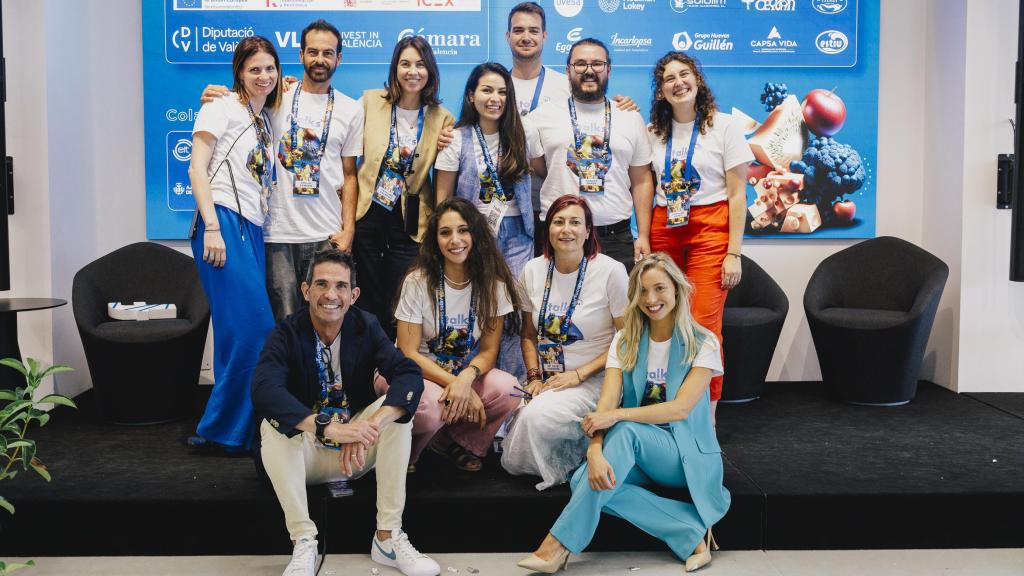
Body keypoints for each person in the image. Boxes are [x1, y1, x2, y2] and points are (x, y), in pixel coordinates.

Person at [517, 253, 729, 574]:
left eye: (659, 288)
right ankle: (689, 531)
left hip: (683, 454)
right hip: (639, 450)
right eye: (642, 291)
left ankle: (556, 547)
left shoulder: (703, 343)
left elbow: (680, 408)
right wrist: (595, 450)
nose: (651, 299)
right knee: (584, 481)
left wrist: (618, 417)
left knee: (625, 432)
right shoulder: (624, 342)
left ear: (677, 290)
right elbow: (606, 404)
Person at [251, 249, 440, 576]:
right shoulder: (287, 331)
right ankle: (304, 541)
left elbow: (407, 373)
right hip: (305, 456)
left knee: (396, 412)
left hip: (355, 455)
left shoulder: (365, 326)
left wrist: (370, 425)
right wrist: (328, 428)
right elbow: (264, 389)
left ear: (353, 295)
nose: (330, 295)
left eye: (340, 286)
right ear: (306, 290)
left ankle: (388, 537)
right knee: (274, 424)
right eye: (321, 284)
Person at [200, 20, 365, 322]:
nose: (320, 59)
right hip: (277, 234)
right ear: (300, 55)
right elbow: (235, 106)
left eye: (328, 53)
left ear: (339, 59)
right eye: (312, 52)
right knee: (284, 326)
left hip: (325, 234)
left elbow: (350, 174)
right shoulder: (275, 96)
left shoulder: (351, 109)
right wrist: (212, 93)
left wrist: (349, 229)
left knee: (326, 324)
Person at [645, 52, 753, 416]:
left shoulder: (725, 127)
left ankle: (706, 416)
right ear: (661, 92)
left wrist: (733, 252)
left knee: (704, 325)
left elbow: (738, 194)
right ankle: (666, 407)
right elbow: (645, 187)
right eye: (669, 79)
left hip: (711, 228)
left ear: (698, 80)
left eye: (684, 74)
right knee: (661, 320)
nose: (678, 83)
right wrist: (643, 236)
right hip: (665, 227)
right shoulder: (653, 133)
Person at [187, 35, 282, 452]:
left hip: (252, 227)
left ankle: (232, 431)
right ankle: (221, 429)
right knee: (256, 330)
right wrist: (211, 226)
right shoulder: (218, 106)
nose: (263, 76)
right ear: (238, 73)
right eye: (254, 69)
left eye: (269, 68)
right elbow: (196, 169)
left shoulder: (263, 117)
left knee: (232, 333)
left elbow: (294, 84)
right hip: (221, 223)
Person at [383, 198, 521, 472]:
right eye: (445, 232)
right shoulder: (417, 280)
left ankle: (455, 441)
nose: (455, 240)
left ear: (476, 234)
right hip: (411, 371)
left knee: (511, 390)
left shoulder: (494, 285)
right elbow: (408, 352)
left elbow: (489, 351)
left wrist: (466, 379)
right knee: (430, 409)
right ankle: (405, 455)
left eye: (463, 230)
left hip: (459, 373)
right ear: (435, 240)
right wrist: (456, 385)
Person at [501, 195, 628, 490]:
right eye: (558, 222)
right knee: (504, 404)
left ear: (588, 231)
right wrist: (533, 376)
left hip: (597, 378)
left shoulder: (611, 271)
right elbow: (528, 335)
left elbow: (625, 340)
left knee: (536, 418)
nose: (565, 229)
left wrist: (579, 374)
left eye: (574, 222)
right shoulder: (532, 270)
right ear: (548, 229)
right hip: (549, 378)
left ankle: (581, 456)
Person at [503, 2, 638, 257]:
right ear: (507, 36)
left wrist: (626, 107)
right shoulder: (496, 85)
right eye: (518, 30)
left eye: (534, 30)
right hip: (510, 206)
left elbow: (596, 107)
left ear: (545, 36)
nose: (526, 37)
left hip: (558, 207)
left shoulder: (565, 84)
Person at [435, 62, 535, 379]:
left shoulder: (522, 135)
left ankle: (513, 397)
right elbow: (443, 199)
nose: (495, 98)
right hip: (474, 239)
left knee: (515, 315)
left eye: (503, 91)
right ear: (471, 96)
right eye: (487, 90)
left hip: (518, 237)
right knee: (479, 312)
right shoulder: (455, 139)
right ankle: (476, 389)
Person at [353, 37, 455, 338]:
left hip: (412, 221)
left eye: (421, 64)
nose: (413, 71)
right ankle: (368, 372)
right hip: (368, 213)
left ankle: (395, 371)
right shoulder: (371, 102)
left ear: (431, 71)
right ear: (395, 67)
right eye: (406, 63)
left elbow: (447, 172)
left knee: (401, 298)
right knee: (368, 296)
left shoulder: (443, 118)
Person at [526, 39, 654, 273]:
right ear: (568, 70)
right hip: (560, 237)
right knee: (557, 308)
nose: (588, 71)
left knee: (618, 310)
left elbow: (642, 179)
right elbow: (539, 166)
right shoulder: (542, 116)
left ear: (608, 69)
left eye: (597, 64)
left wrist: (644, 235)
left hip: (615, 238)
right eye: (580, 64)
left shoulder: (629, 117)